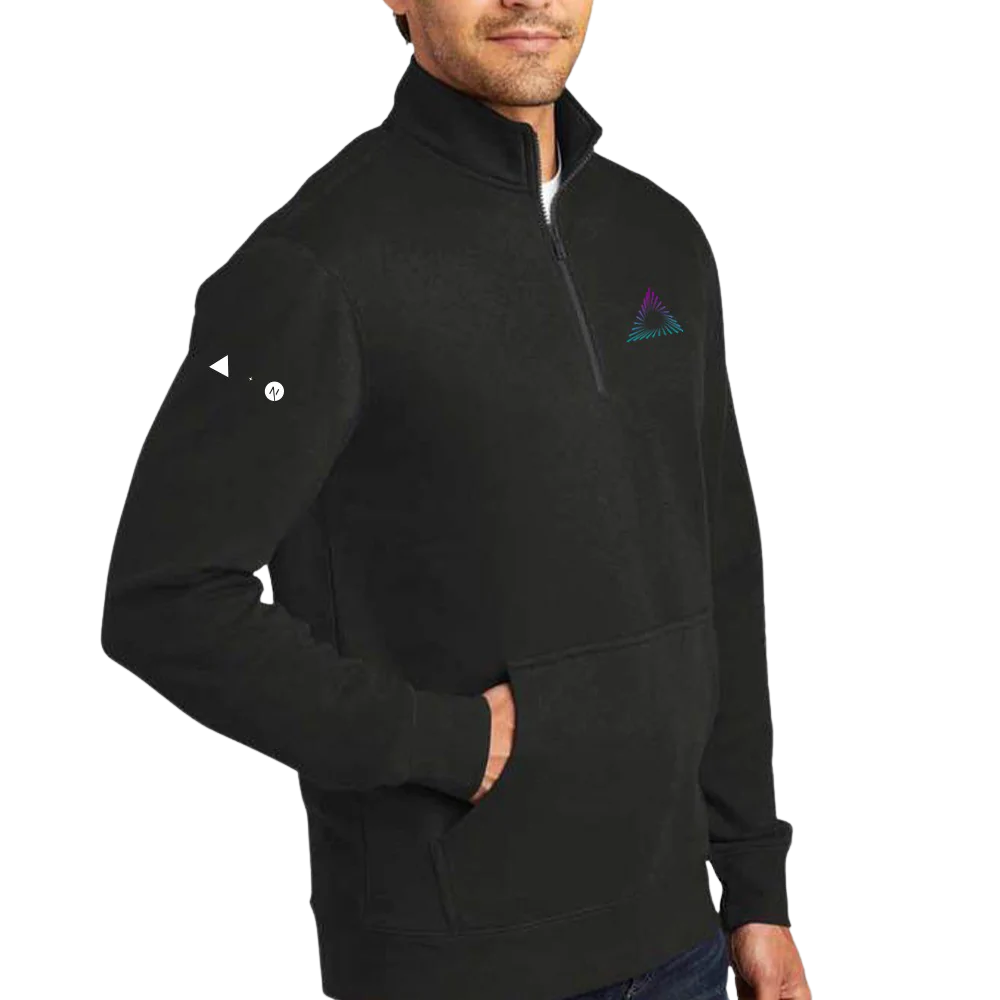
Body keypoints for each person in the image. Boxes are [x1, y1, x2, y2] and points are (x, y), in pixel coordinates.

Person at [100, 2, 809, 998]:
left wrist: (755, 885)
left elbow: (721, 563)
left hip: (678, 937)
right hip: (456, 959)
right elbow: (165, 599)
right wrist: (441, 741)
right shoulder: (313, 267)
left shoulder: (661, 236)